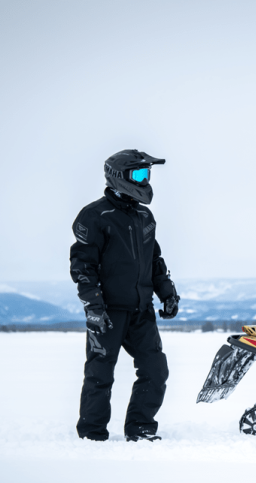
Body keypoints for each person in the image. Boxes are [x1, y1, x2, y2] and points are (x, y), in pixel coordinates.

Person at [69, 149, 180, 442]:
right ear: (119, 177)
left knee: (156, 370)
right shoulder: (95, 216)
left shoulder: (145, 216)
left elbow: (154, 260)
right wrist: (93, 305)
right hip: (107, 311)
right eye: (140, 174)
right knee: (100, 375)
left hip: (141, 311)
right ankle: (92, 434)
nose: (145, 180)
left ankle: (140, 428)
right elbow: (82, 266)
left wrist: (167, 293)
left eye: (147, 174)